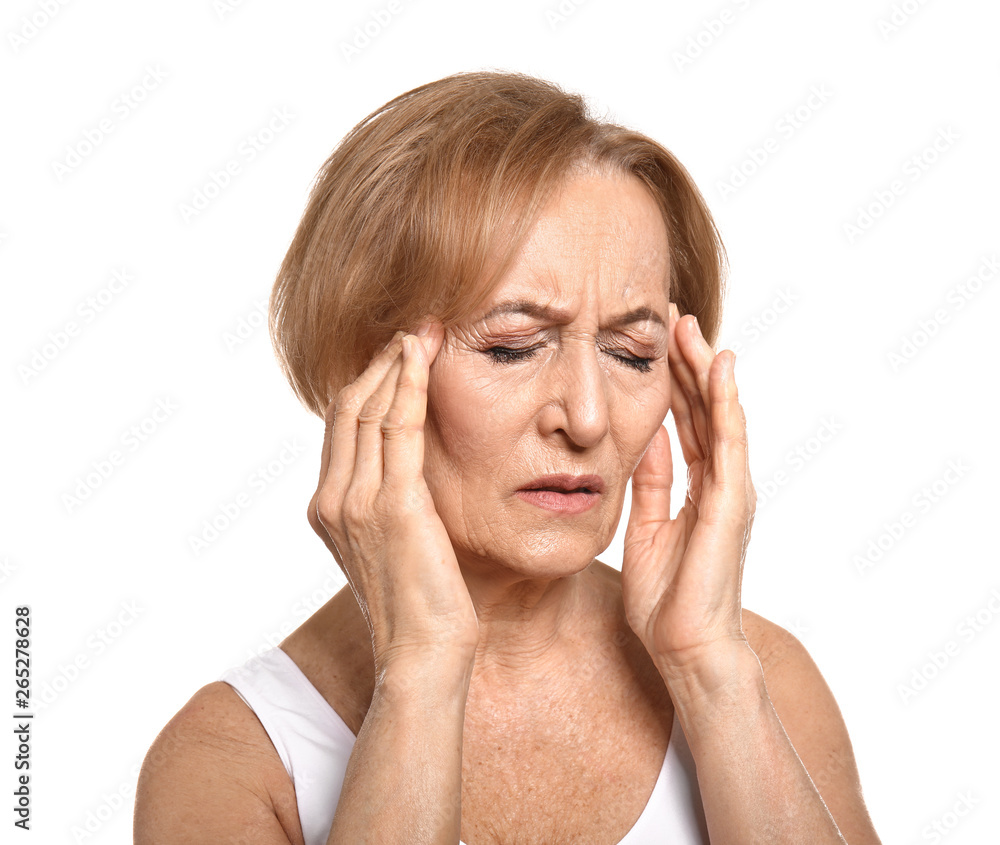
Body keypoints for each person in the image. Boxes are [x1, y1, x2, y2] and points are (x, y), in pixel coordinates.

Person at [133, 71, 882, 844]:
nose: (588, 418)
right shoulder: (233, 759)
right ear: (366, 369)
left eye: (632, 354)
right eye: (513, 346)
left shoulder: (762, 680)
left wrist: (709, 673)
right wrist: (421, 670)